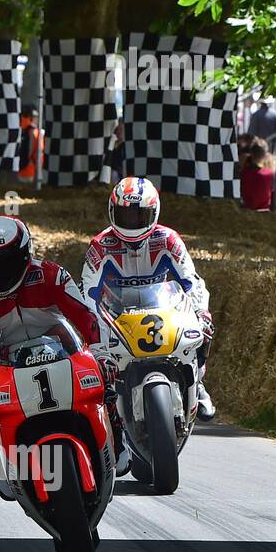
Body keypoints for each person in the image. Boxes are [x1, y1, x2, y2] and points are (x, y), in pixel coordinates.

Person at [0, 215, 124, 494]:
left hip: (62, 353)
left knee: (104, 383)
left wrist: (100, 352)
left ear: (25, 254)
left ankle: (116, 438)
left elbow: (86, 317)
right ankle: (3, 458)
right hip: (5, 366)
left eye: (6, 261)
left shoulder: (51, 275)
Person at [81, 176, 216, 421]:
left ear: (154, 213)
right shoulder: (100, 246)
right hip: (118, 319)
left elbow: (191, 282)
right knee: (98, 360)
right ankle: (108, 405)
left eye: (139, 216)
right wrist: (95, 335)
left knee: (203, 330)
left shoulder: (169, 240)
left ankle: (199, 383)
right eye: (125, 216)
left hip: (162, 312)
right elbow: (88, 295)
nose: (131, 223)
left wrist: (200, 312)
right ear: (112, 212)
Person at [239, 138, 276, 211]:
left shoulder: (242, 173)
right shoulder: (270, 174)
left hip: (246, 212)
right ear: (265, 155)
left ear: (251, 153)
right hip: (264, 213)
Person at [17, 104, 44, 184]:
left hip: (16, 168)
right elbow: (37, 153)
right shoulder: (34, 131)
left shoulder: (17, 128)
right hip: (28, 170)